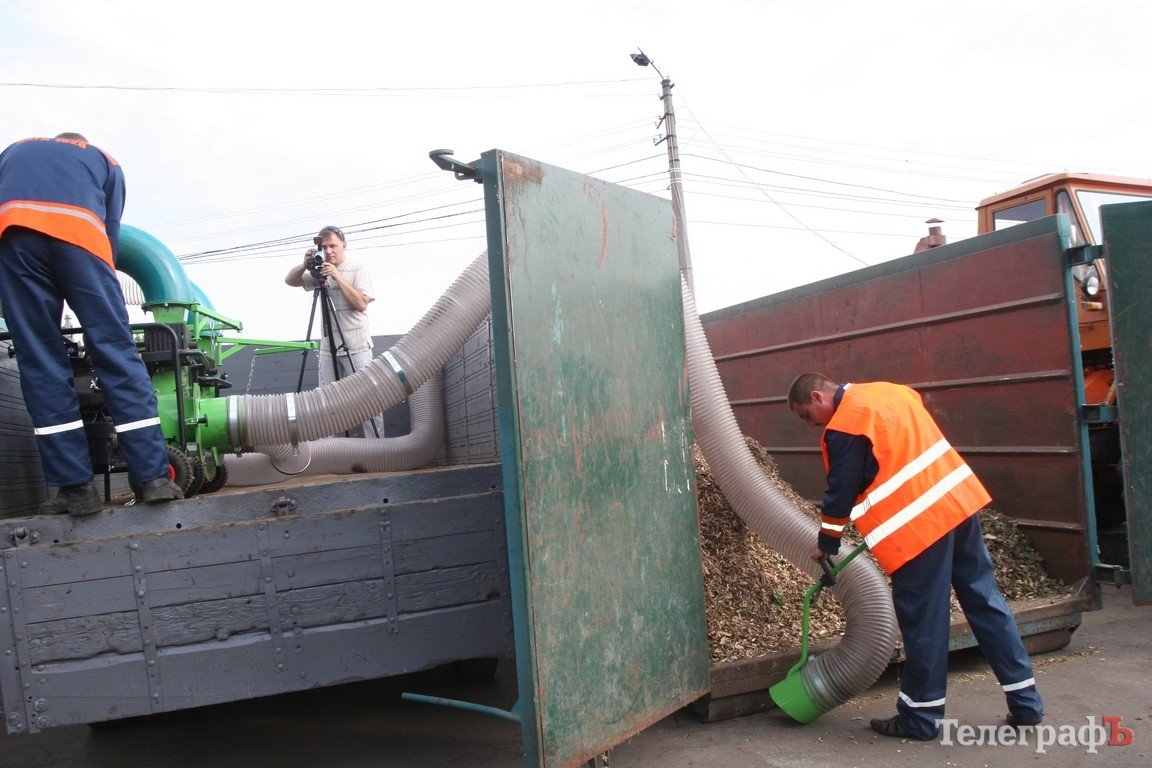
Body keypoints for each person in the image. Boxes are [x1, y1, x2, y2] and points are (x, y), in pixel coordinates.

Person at [787, 372, 1043, 741]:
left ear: (818, 396)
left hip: (919, 528)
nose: (811, 425)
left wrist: (827, 541)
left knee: (924, 620)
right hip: (959, 506)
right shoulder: (892, 392)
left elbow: (841, 489)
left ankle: (920, 718)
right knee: (985, 602)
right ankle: (1026, 703)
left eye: (807, 416)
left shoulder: (846, 424)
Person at [0, 133, 183, 516]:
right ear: (77, 143)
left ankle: (74, 489)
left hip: (14, 236)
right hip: (83, 240)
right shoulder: (105, 159)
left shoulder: (15, 150)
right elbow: (110, 229)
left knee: (39, 361)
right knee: (115, 352)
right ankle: (153, 479)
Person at [284, 225, 382, 437]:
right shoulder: (320, 269)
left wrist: (337, 276)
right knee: (326, 402)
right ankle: (331, 448)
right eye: (325, 247)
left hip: (356, 346)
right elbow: (290, 281)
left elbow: (361, 304)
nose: (328, 251)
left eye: (333, 246)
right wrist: (304, 265)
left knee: (368, 399)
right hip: (328, 348)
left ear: (344, 246)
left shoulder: (358, 269)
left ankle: (377, 446)